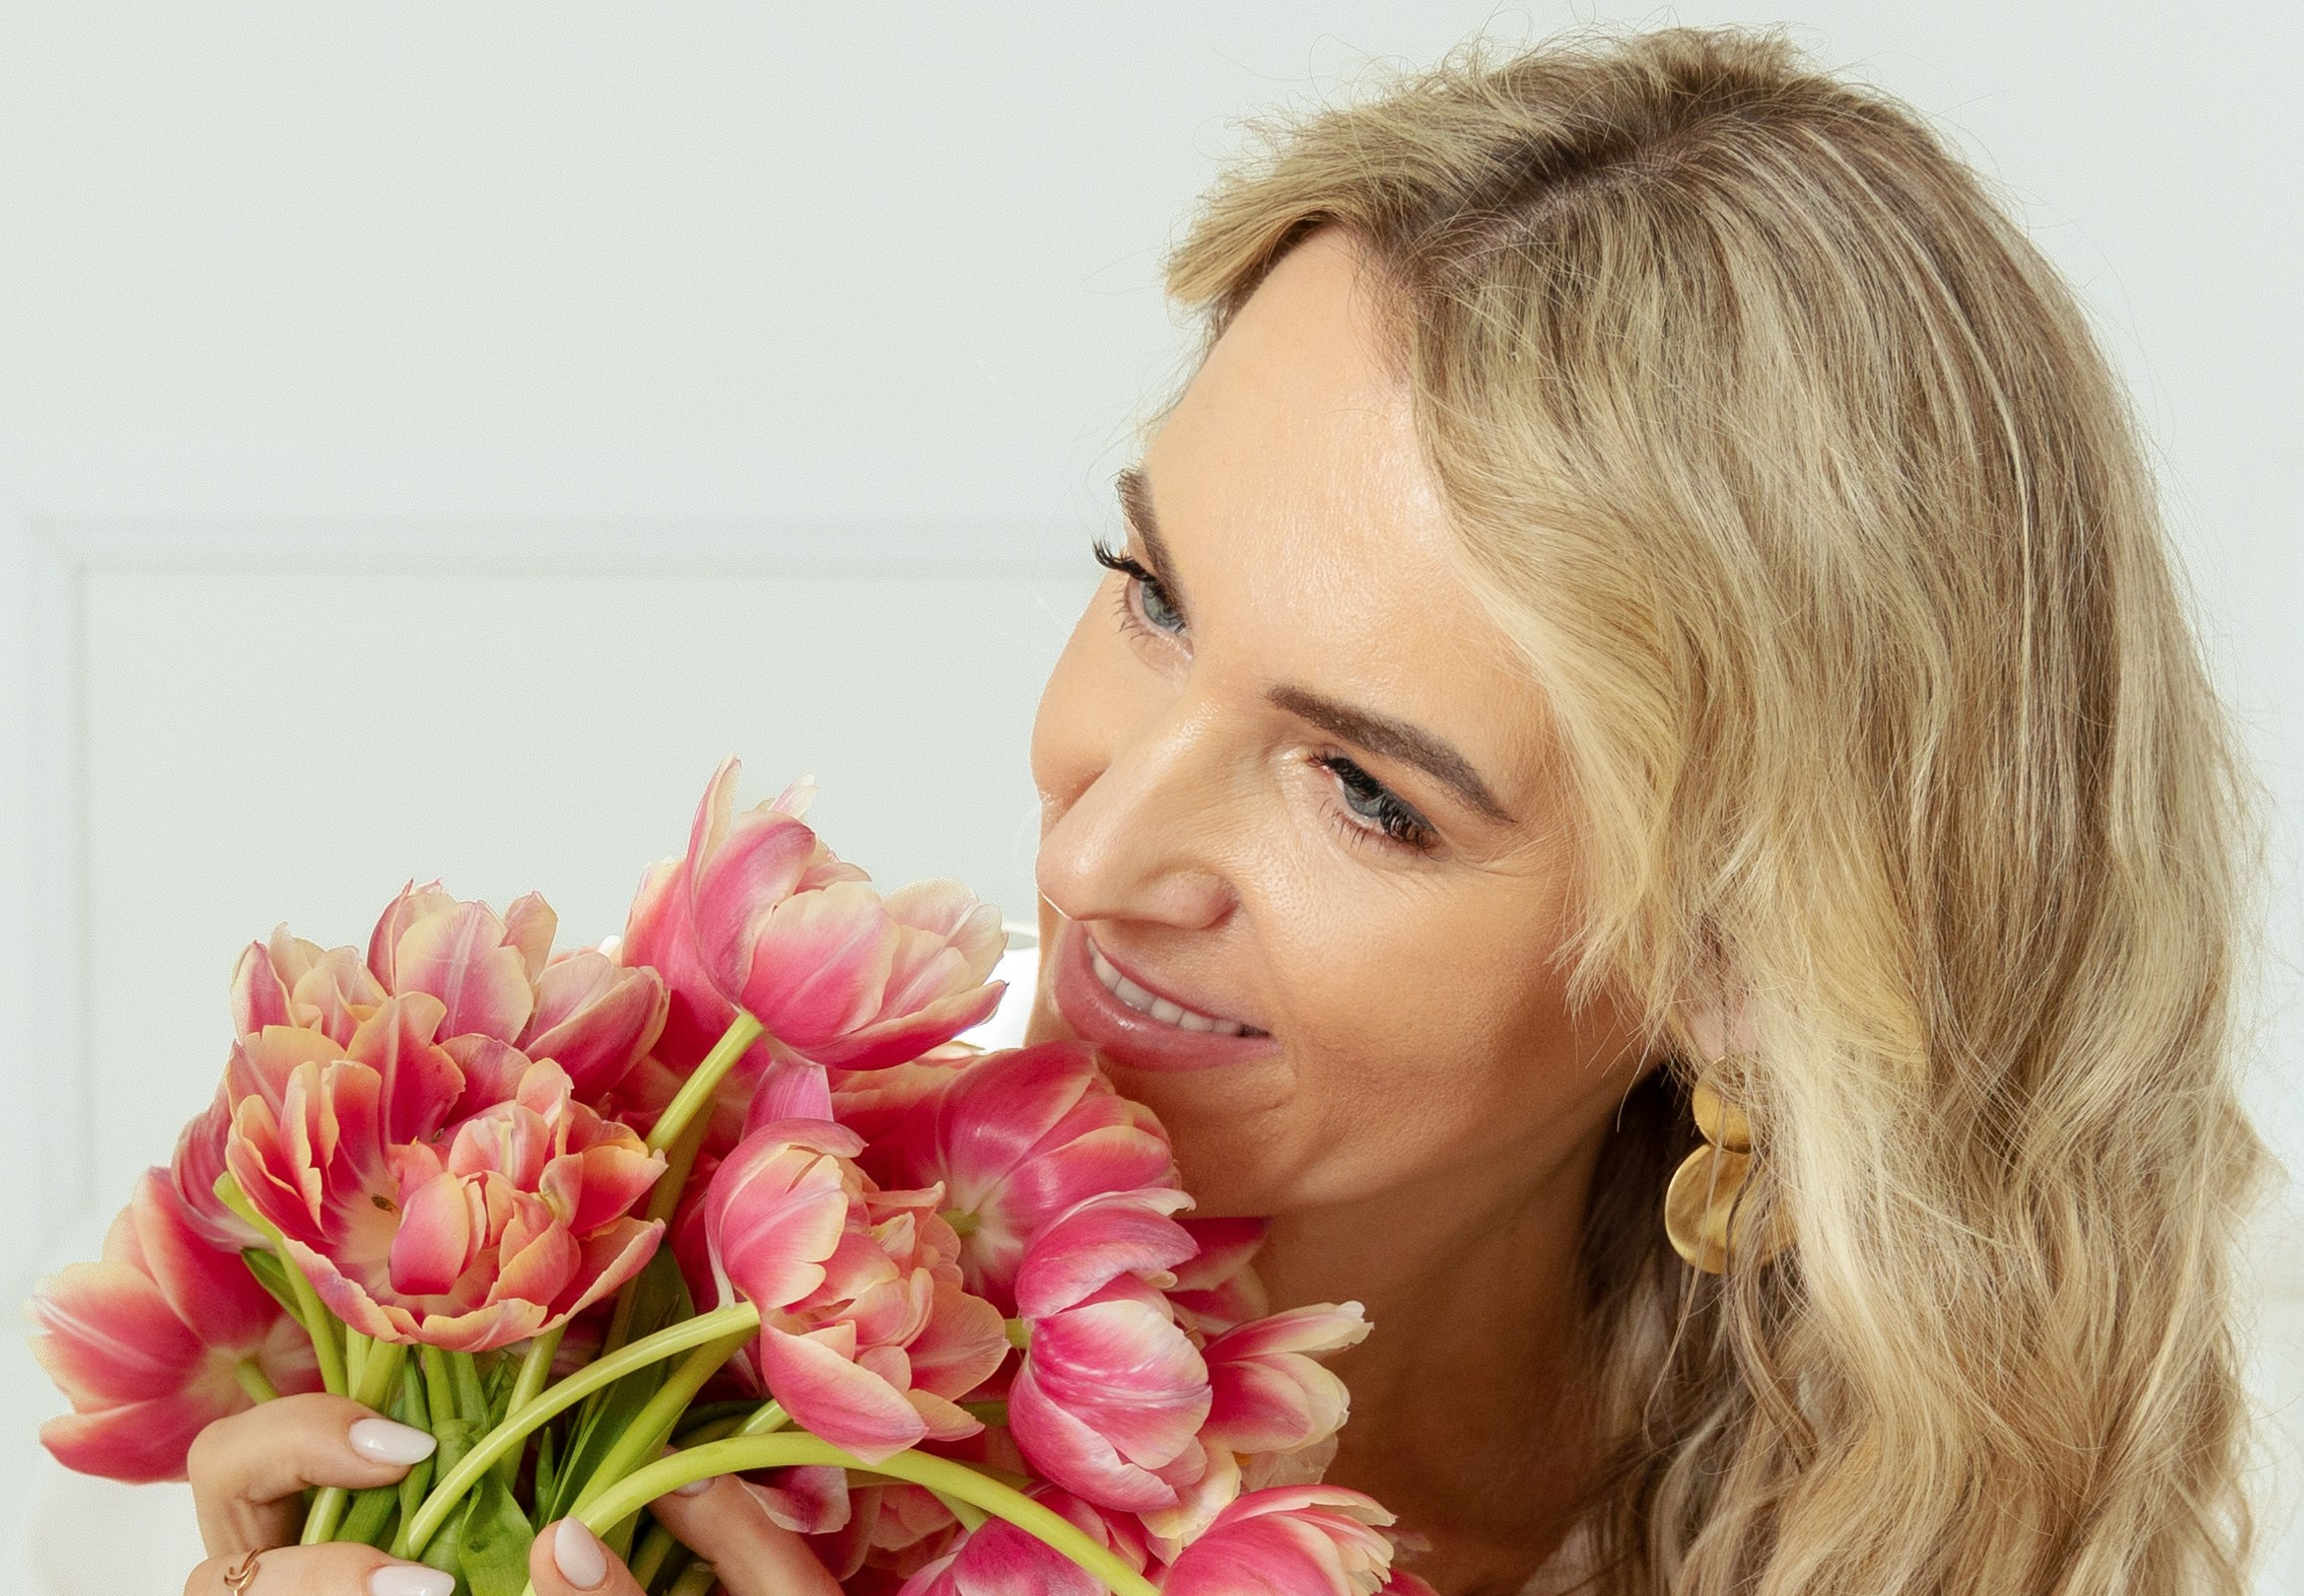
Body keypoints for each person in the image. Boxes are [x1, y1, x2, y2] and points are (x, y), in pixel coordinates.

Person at [179, 25, 2268, 1596]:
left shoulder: (1943, 1503)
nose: (1089, 859)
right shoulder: (655, 1346)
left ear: (1734, 959)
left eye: (1361, 789)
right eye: (1152, 594)